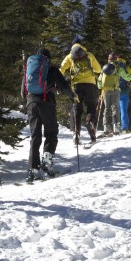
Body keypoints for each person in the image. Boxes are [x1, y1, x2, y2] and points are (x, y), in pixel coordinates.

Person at [22, 48, 76, 181]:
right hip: (46, 102)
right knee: (51, 133)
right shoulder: (51, 69)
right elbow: (63, 86)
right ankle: (46, 163)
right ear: (48, 58)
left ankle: (33, 170)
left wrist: (29, 102)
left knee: (35, 136)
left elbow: (22, 92)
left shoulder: (28, 70)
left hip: (31, 104)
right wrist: (72, 96)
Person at [60, 42, 102, 145]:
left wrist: (60, 81)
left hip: (77, 86)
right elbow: (99, 69)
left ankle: (76, 133)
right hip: (91, 85)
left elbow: (62, 68)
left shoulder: (70, 56)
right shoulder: (89, 55)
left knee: (77, 109)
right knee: (91, 106)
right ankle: (90, 123)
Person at [97, 53, 122, 136]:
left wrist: (101, 87)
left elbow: (100, 80)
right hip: (115, 90)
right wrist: (130, 79)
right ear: (116, 59)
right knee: (115, 107)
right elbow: (126, 76)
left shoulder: (104, 68)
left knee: (107, 108)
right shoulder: (118, 68)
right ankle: (116, 126)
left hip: (105, 91)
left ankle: (106, 127)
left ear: (109, 59)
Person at [114, 54, 131, 133]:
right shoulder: (126, 68)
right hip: (124, 91)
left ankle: (115, 127)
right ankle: (124, 128)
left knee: (115, 110)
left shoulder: (112, 67)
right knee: (123, 110)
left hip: (114, 91)